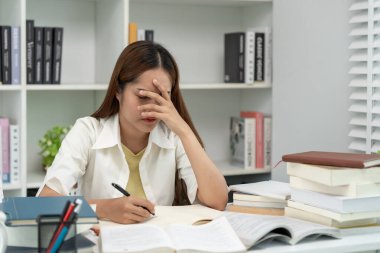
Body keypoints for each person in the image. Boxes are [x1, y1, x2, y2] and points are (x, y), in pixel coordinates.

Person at [38, 41, 228, 224]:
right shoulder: (88, 131)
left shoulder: (174, 136)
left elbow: (217, 201)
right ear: (118, 92)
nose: (151, 107)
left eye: (162, 97)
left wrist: (184, 131)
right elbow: (45, 202)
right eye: (143, 96)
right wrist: (106, 208)